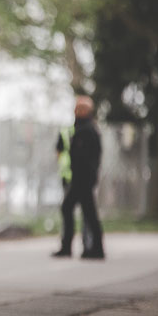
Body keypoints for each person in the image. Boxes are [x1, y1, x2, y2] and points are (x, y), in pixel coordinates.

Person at [53, 95, 105, 259]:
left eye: (78, 108)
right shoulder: (80, 128)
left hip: (83, 179)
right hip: (78, 178)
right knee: (81, 211)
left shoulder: (87, 130)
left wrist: (89, 176)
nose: (74, 110)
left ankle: (94, 248)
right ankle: (77, 247)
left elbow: (90, 157)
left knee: (83, 212)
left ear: (84, 110)